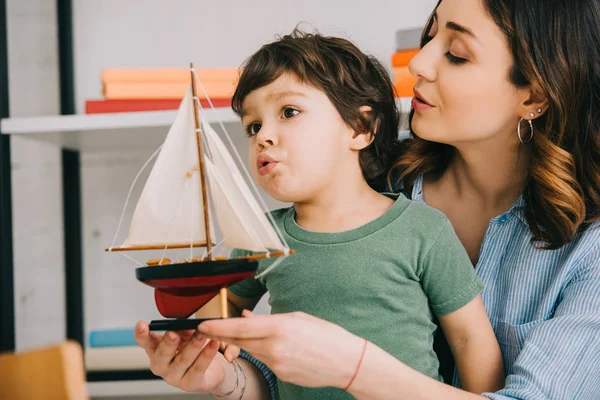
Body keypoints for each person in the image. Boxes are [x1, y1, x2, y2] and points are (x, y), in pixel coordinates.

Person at [197, 0, 600, 398]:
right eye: (430, 35)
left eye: (457, 54)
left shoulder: (588, 251)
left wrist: (354, 367)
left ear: (532, 97)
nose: (419, 63)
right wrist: (220, 377)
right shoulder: (361, 188)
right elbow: (280, 372)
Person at [135, 28, 506, 399]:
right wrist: (202, 341)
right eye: (253, 126)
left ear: (361, 128)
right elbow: (223, 309)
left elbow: (470, 339)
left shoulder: (423, 229)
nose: (264, 135)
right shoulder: (261, 239)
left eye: (289, 112)